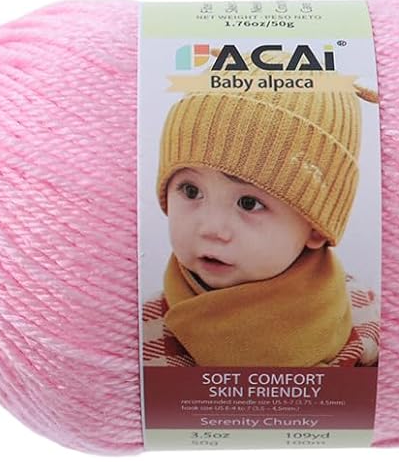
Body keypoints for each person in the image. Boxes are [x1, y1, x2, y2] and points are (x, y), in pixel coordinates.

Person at [142, 85, 379, 368]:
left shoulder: (367, 316)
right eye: (191, 191)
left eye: (249, 203)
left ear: (316, 226)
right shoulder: (142, 332)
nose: (211, 229)